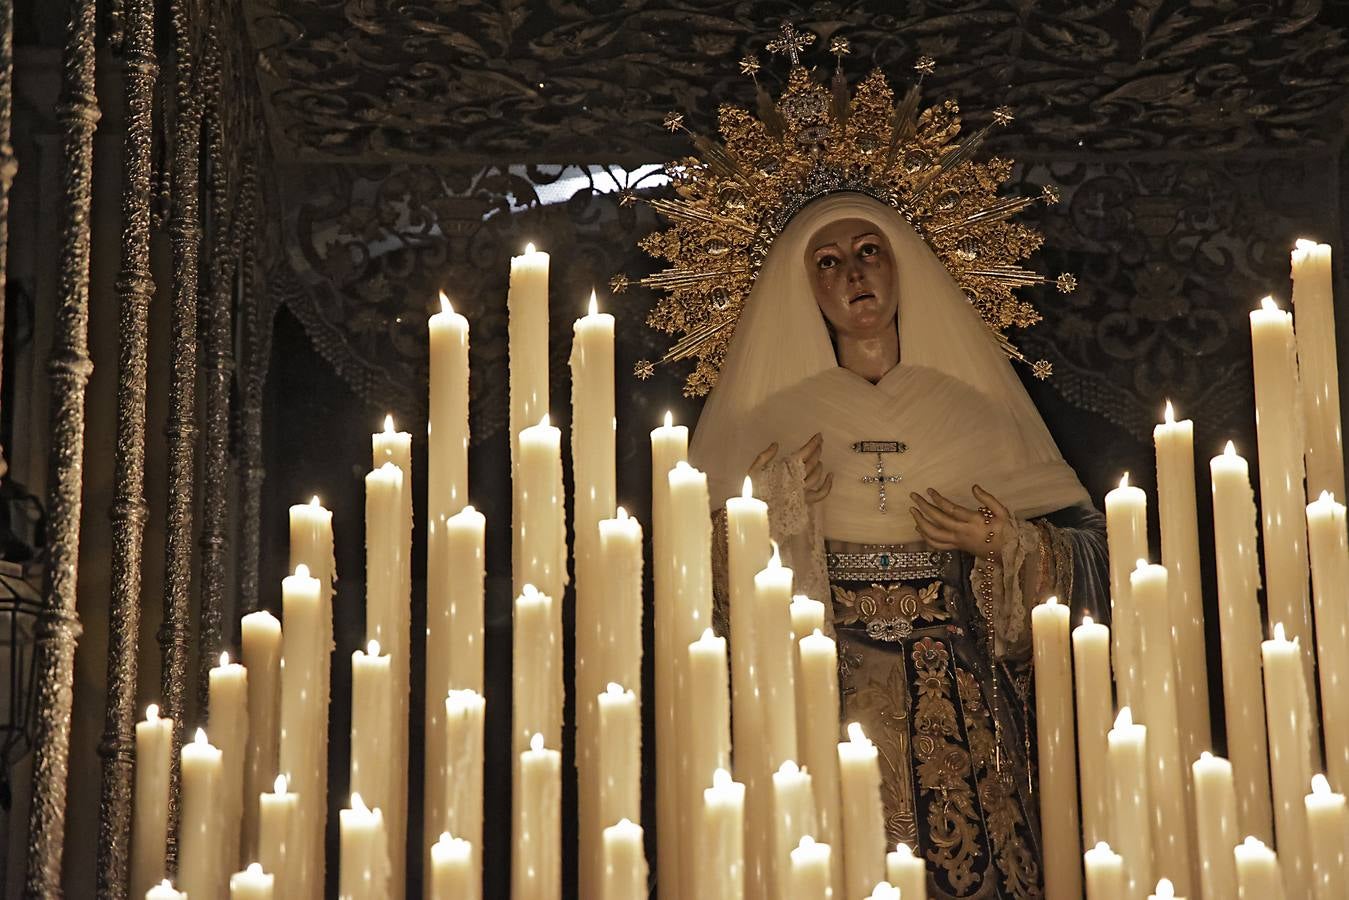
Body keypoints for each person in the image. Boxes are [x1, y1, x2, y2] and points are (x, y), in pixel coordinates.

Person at [693, 191, 1109, 900]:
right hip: (828, 695)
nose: (852, 275)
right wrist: (770, 515)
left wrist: (1003, 543)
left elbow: (1094, 558)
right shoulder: (767, 429)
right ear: (803, 288)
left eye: (867, 252)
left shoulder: (979, 416)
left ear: (901, 267)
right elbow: (701, 593)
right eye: (827, 262)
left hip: (962, 705)